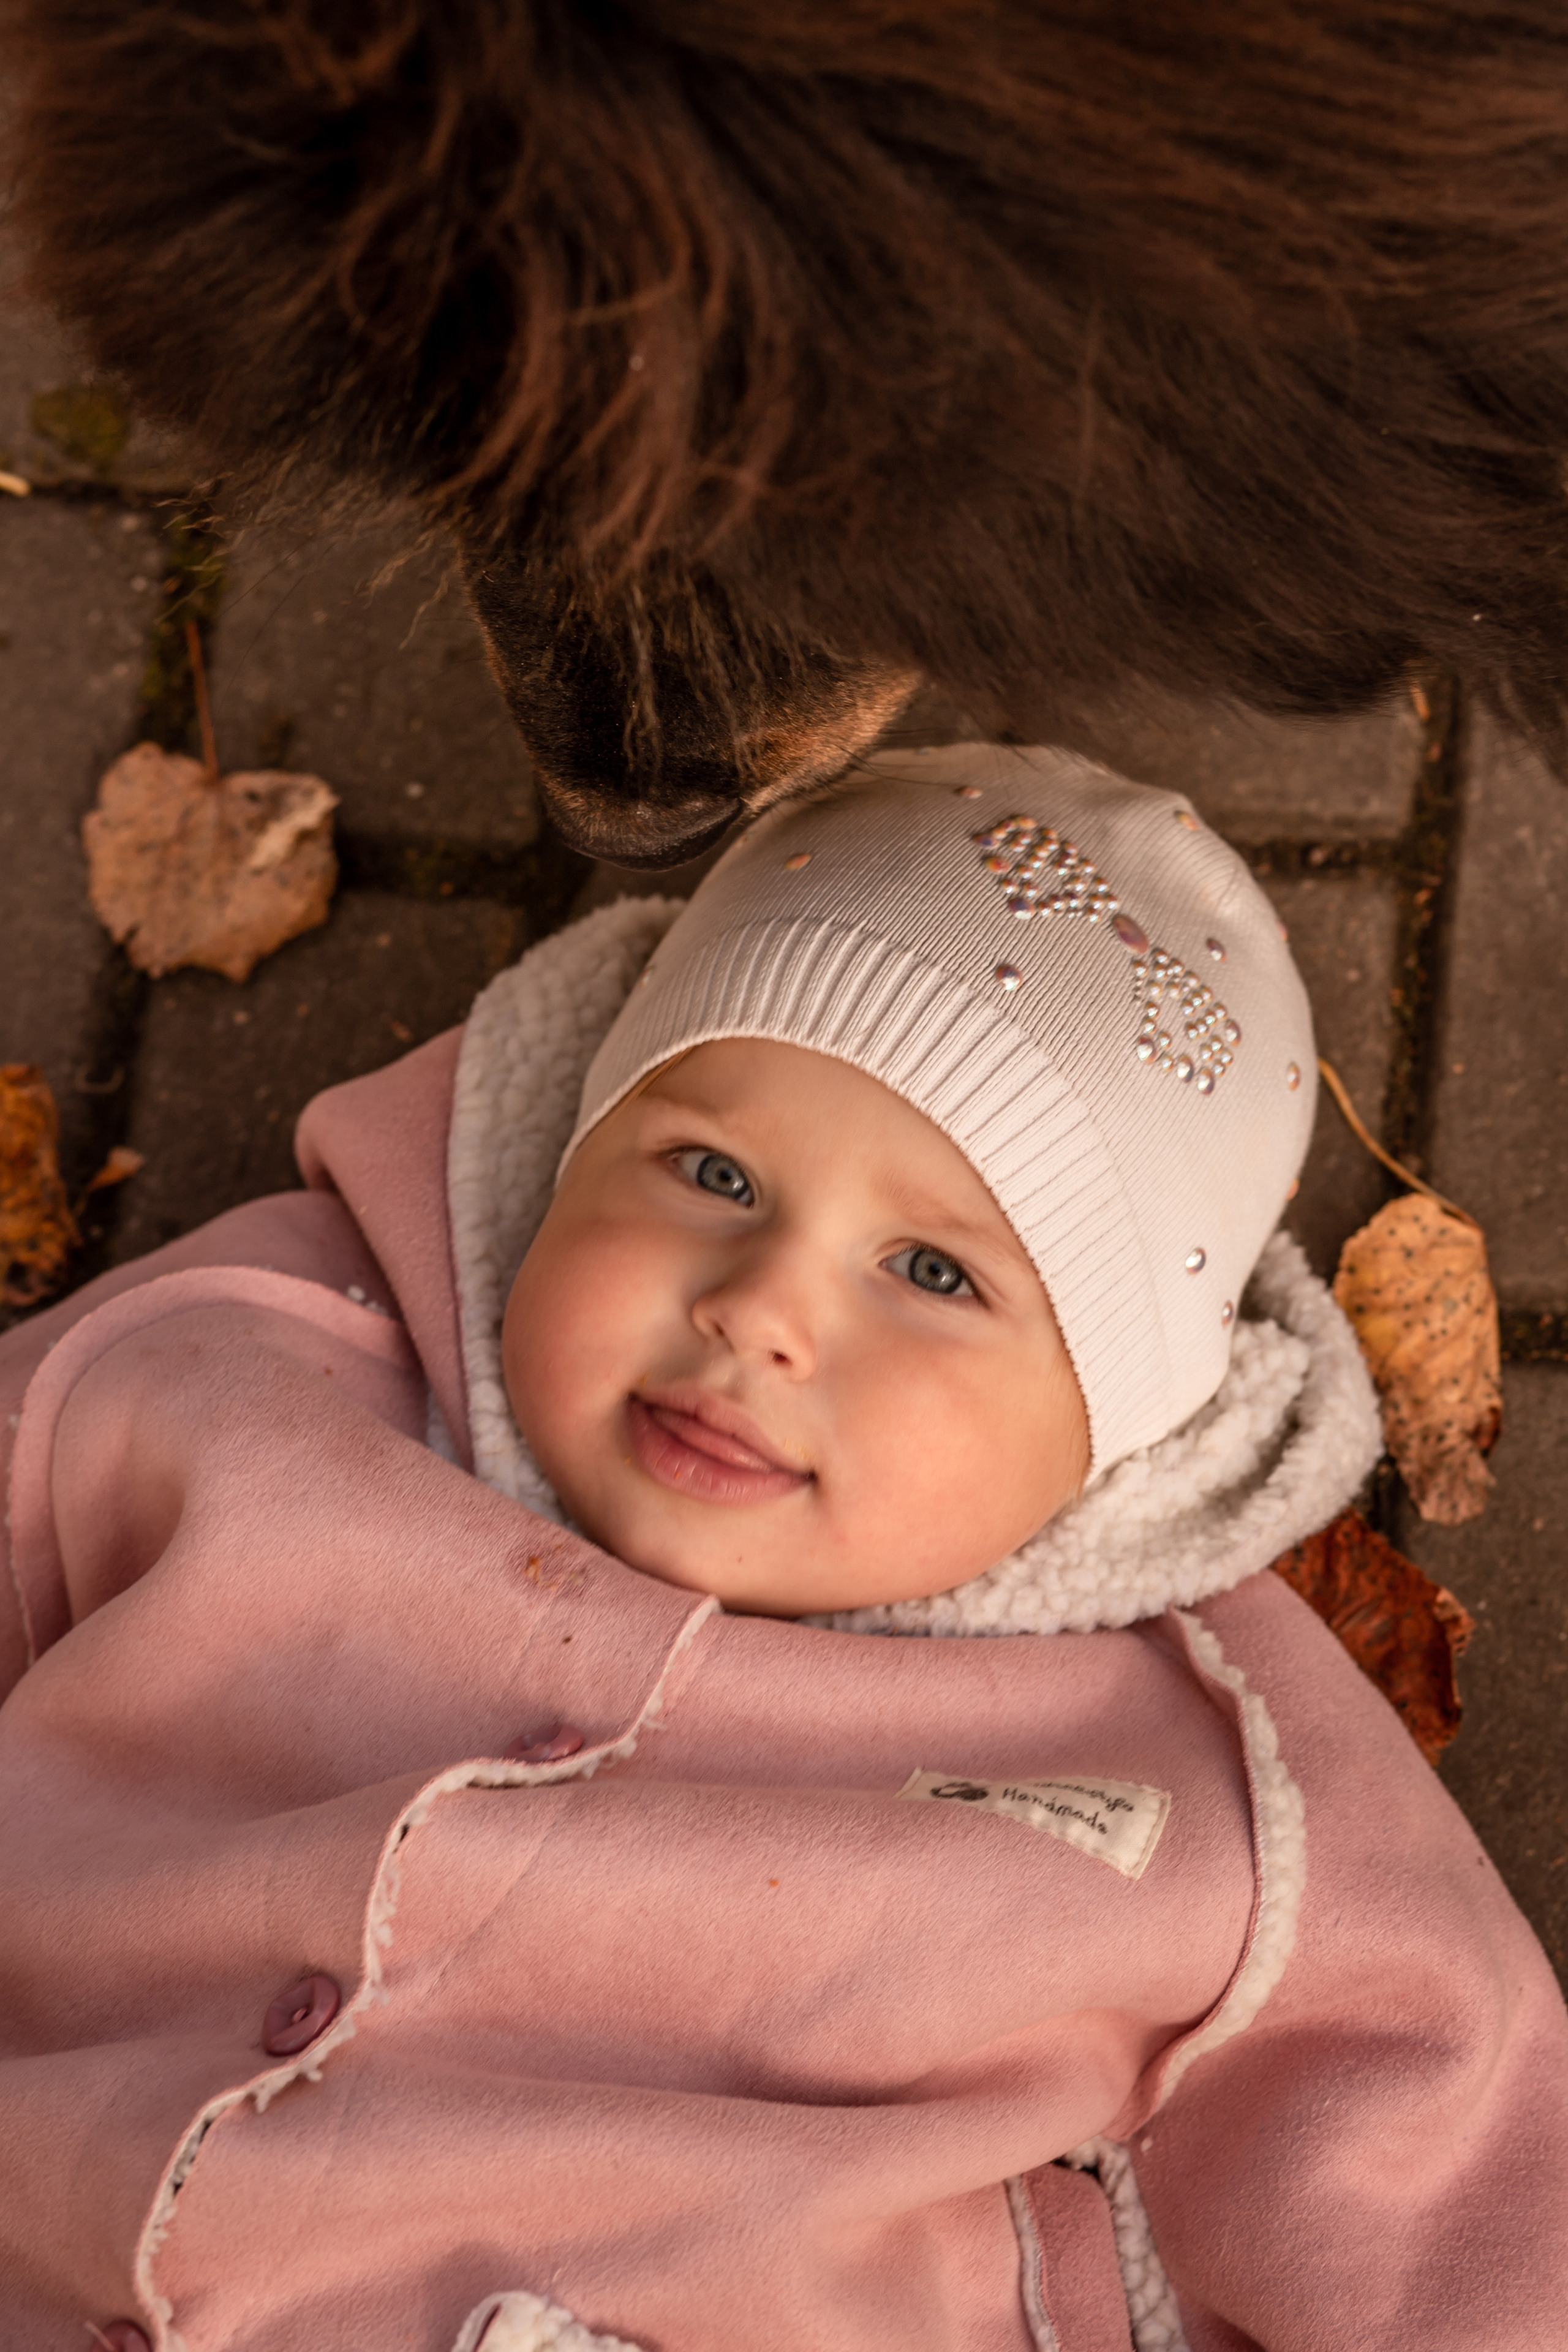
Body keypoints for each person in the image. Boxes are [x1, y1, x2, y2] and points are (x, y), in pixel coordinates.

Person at [1, 746, 1564, 2352]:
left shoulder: (1211, 1782)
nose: (760, 1310)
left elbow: (1462, 2159)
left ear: (1109, 1424)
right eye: (713, 1174)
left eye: (933, 1275)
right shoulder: (260, 1370)